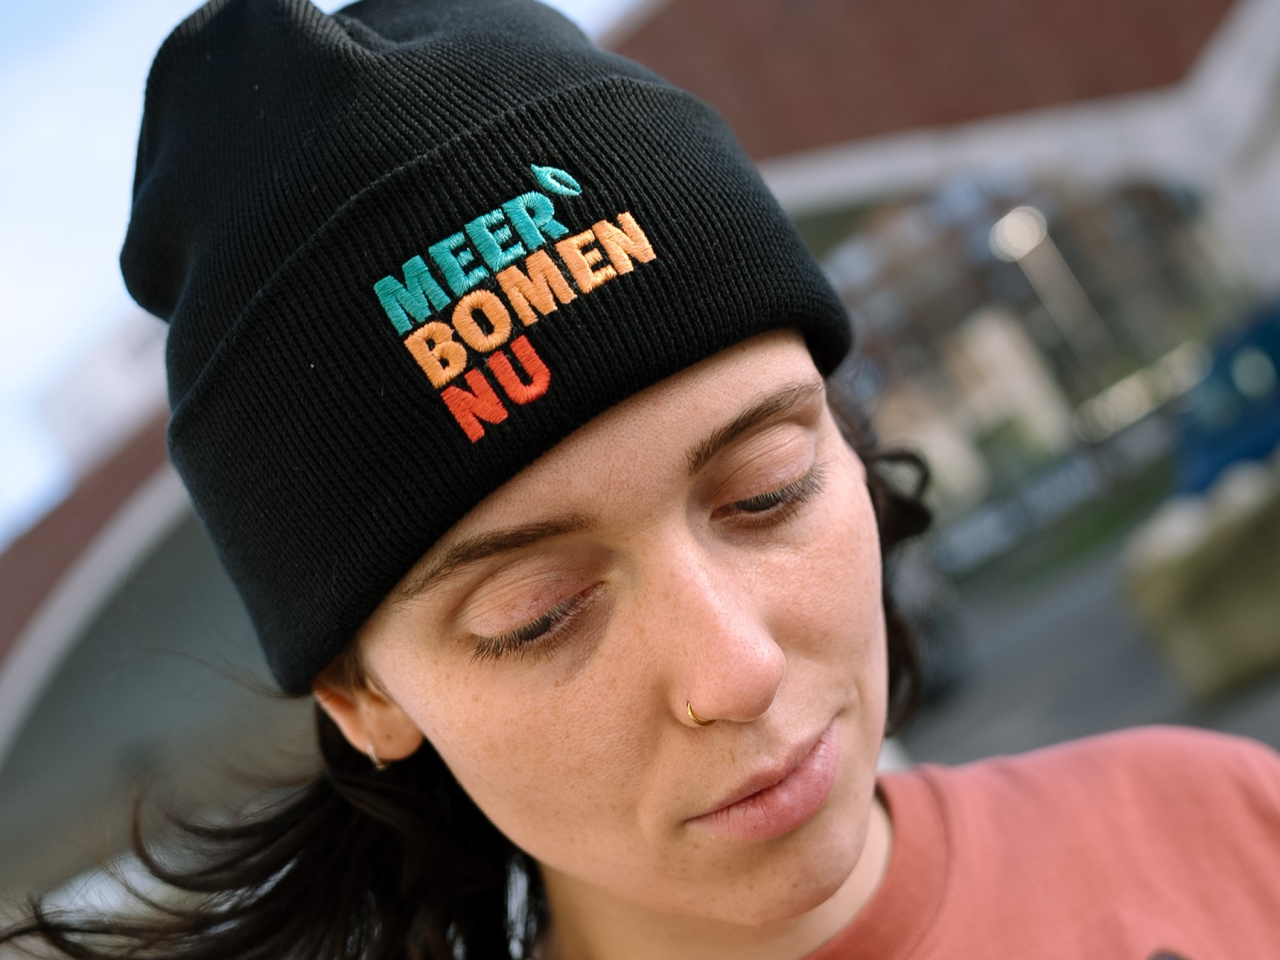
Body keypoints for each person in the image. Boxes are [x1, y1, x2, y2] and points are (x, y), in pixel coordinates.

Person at [4, 1, 1280, 958]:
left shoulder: (1224, 829)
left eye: (767, 489)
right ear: (362, 695)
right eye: (539, 614)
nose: (736, 670)